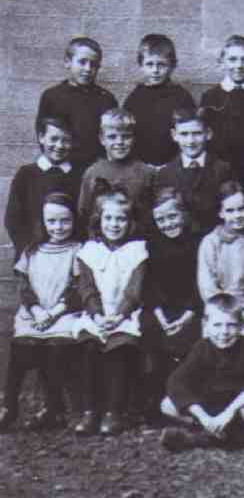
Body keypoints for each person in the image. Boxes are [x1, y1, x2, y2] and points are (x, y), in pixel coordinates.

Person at [0, 193, 83, 432]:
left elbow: (77, 289)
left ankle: (54, 407)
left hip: (64, 314)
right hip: (34, 315)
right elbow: (24, 287)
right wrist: (36, 311)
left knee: (55, 349)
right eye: (52, 221)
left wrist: (54, 312)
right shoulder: (32, 250)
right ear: (43, 222)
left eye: (65, 221)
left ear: (73, 221)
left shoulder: (78, 250)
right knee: (21, 348)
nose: (58, 227)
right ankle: (9, 406)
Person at [73, 182, 149, 436]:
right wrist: (97, 314)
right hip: (96, 314)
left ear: (130, 222)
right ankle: (89, 410)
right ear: (99, 220)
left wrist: (119, 315)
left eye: (121, 219)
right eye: (109, 218)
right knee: (89, 347)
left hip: (125, 315)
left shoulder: (137, 251)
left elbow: (134, 290)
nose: (114, 224)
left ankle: (113, 412)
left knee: (119, 350)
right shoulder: (89, 251)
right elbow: (86, 288)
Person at [158, 294, 244, 452]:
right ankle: (236, 436)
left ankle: (199, 438)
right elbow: (175, 381)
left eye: (231, 325)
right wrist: (203, 417)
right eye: (217, 325)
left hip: (237, 408)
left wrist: (230, 412)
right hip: (208, 408)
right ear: (206, 325)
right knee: (167, 404)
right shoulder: (201, 348)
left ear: (241, 326)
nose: (224, 332)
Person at [141, 188, 203, 420]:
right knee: (150, 332)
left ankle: (188, 401)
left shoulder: (198, 243)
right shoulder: (153, 245)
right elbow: (150, 286)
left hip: (191, 308)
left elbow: (200, 286)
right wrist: (161, 317)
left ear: (183, 214)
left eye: (172, 217)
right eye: (161, 220)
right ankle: (155, 403)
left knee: (191, 336)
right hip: (161, 310)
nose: (167, 224)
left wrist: (185, 317)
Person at [197, 181, 244, 341]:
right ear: (221, 213)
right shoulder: (211, 242)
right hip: (218, 311)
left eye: (242, 209)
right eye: (230, 210)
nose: (237, 215)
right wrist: (226, 313)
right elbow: (207, 285)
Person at [5, 115, 83, 261]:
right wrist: (28, 251)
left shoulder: (79, 176)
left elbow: (83, 217)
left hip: (70, 256)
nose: (59, 146)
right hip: (33, 255)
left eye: (65, 140)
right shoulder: (26, 174)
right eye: (54, 139)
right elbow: (13, 219)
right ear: (41, 137)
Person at [36, 37, 118, 169]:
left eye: (93, 64)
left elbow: (112, 137)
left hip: (95, 168)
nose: (88, 69)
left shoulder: (106, 99)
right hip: (62, 168)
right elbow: (44, 136)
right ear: (67, 62)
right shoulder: (52, 97)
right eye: (82, 62)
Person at [201, 34, 244, 187]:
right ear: (221, 63)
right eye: (232, 59)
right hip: (218, 171)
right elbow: (204, 137)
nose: (239, 65)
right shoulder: (210, 97)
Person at [154, 107, 234, 237]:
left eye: (196, 133)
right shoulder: (166, 174)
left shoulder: (223, 169)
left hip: (215, 240)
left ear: (208, 134)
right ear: (174, 135)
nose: (190, 141)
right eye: (184, 134)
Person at [123, 34, 196, 166]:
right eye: (150, 64)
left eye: (161, 65)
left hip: (173, 166)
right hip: (140, 167)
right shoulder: (134, 99)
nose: (155, 70)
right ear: (141, 65)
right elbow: (127, 135)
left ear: (172, 65)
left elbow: (190, 134)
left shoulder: (182, 97)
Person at [77, 108, 154, 230]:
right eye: (112, 137)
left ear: (133, 138)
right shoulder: (92, 173)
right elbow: (84, 213)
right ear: (102, 139)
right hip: (101, 242)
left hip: (137, 241)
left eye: (126, 137)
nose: (119, 142)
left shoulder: (146, 173)